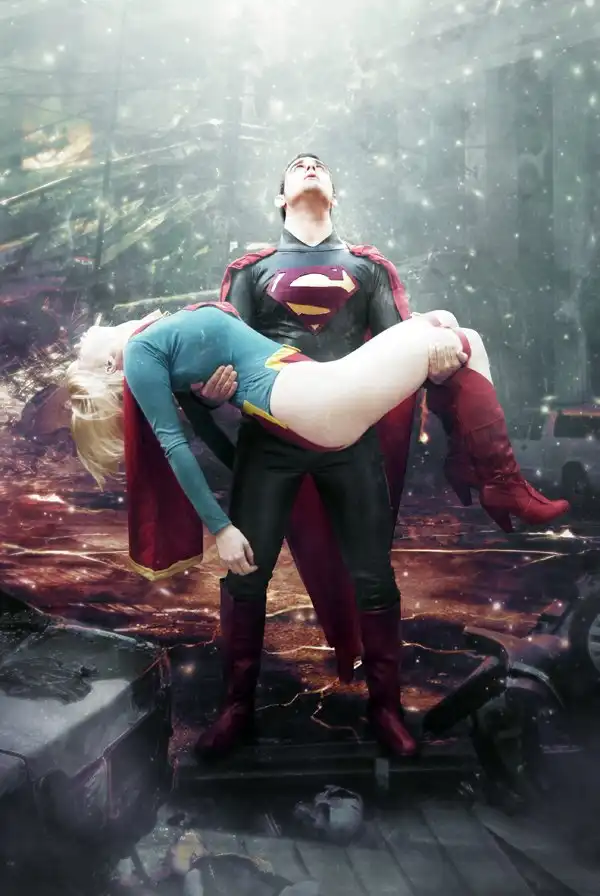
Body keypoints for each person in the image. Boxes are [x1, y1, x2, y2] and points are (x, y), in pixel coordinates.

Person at [65, 296, 569, 758]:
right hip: (296, 411)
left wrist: (225, 458)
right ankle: (237, 709)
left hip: (315, 399)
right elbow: (185, 436)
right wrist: (224, 520)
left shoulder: (157, 337)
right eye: (91, 349)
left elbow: (200, 417)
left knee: (449, 327)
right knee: (454, 333)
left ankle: (386, 707)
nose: (95, 333)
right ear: (108, 365)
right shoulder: (145, 350)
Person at [188, 154, 571, 763]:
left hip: (351, 440)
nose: (309, 166)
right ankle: (236, 707)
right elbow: (221, 347)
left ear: (334, 194)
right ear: (281, 197)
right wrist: (213, 391)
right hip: (271, 439)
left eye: (318, 165)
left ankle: (385, 708)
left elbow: (398, 348)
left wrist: (434, 357)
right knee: (246, 575)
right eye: (297, 166)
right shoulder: (251, 270)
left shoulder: (367, 267)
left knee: (372, 574)